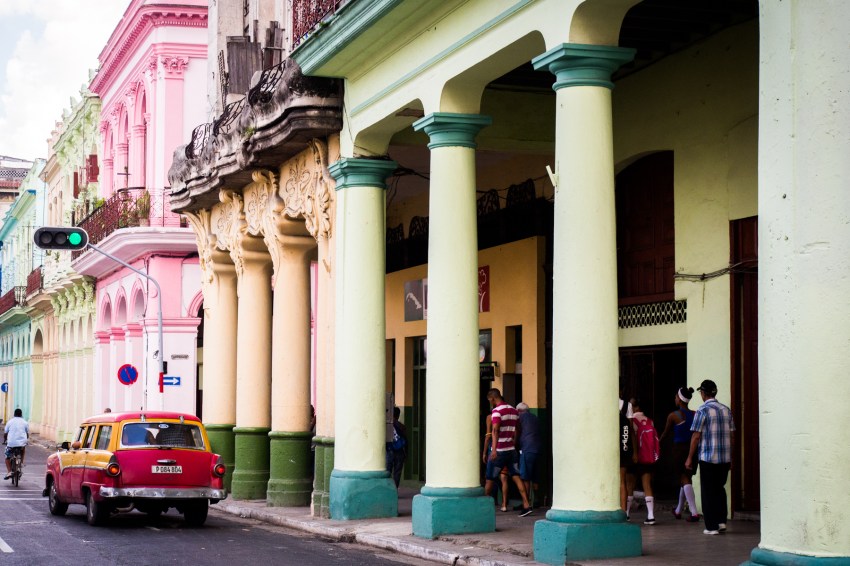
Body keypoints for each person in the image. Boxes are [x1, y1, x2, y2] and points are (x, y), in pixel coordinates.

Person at [685, 379, 735, 536]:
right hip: (724, 458)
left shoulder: (702, 410)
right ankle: (721, 522)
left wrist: (689, 457)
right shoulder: (726, 410)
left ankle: (711, 527)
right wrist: (731, 456)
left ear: (703, 393)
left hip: (708, 457)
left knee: (708, 492)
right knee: (720, 489)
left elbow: (696, 436)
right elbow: (732, 436)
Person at [484, 388, 533, 517]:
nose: (490, 403)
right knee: (516, 476)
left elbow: (495, 431)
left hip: (499, 451)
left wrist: (494, 449)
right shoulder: (513, 410)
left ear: (493, 398)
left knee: (489, 478)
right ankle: (526, 505)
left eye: (490, 400)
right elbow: (518, 429)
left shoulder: (496, 412)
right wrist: (513, 442)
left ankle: (482, 508)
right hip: (511, 450)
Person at [660, 386, 700, 522]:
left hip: (680, 450)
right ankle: (678, 510)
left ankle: (694, 513)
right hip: (693, 449)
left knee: (684, 478)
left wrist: (657, 443)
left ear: (679, 399)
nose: (675, 399)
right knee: (686, 478)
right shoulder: (695, 414)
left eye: (676, 397)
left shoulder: (673, 415)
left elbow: (665, 433)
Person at [629, 398, 660, 525]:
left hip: (634, 456)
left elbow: (631, 436)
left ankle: (626, 514)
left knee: (630, 485)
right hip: (647, 457)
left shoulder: (632, 420)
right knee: (647, 485)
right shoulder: (650, 421)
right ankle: (651, 516)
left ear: (635, 407)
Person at [516, 402, 542, 508]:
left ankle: (526, 503)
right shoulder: (535, 418)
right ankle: (536, 500)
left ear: (518, 411)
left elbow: (517, 432)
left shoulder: (519, 418)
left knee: (525, 477)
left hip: (527, 449)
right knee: (535, 477)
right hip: (538, 449)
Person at [482, 413, 509, 512]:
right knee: (504, 478)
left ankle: (486, 504)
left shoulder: (490, 417)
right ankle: (504, 504)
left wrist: (484, 452)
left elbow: (488, 436)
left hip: (493, 451)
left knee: (490, 478)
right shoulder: (506, 415)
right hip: (505, 448)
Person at [619, 398, 637, 518]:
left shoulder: (604, 402)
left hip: (609, 448)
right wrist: (635, 451)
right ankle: (624, 513)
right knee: (622, 481)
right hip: (624, 445)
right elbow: (630, 430)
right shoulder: (627, 405)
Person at [4, 408, 29, 480]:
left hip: (11, 443)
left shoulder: (10, 422)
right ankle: (21, 463)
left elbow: (5, 433)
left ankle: (9, 472)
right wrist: (25, 440)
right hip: (21, 443)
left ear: (14, 414)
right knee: (23, 449)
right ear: (21, 414)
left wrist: (5, 440)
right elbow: (27, 434)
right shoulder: (25, 422)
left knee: (7, 457)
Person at [385, 406, 407, 488]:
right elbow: (406, 440)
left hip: (389, 450)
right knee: (397, 473)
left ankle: (387, 489)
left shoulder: (387, 425)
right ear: (398, 415)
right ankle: (394, 489)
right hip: (399, 451)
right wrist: (406, 454)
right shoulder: (401, 426)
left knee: (388, 471)